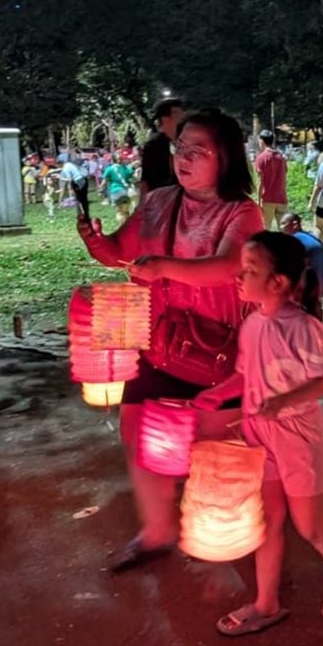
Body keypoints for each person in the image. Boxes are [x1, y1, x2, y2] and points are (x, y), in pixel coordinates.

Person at [77, 108, 264, 572]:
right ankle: (157, 529)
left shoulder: (242, 211)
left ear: (225, 157)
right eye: (181, 148)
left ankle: (227, 536)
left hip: (214, 349)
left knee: (213, 449)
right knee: (138, 433)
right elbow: (119, 253)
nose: (184, 158)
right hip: (155, 340)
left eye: (199, 151)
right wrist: (96, 242)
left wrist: (163, 267)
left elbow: (227, 266)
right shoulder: (159, 201)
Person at [193, 231, 323, 635]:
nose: (239, 277)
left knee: (310, 525)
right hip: (258, 435)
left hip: (297, 438)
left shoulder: (304, 328)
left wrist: (284, 401)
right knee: (267, 520)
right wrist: (216, 394)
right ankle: (266, 603)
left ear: (278, 282)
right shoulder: (252, 324)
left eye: (249, 270)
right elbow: (245, 374)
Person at [139, 97, 184, 196]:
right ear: (166, 118)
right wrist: (143, 202)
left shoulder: (187, 141)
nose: (183, 118)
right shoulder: (153, 146)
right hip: (161, 198)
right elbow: (145, 180)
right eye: (178, 113)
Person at [280, 212, 323, 298]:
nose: (280, 227)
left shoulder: (294, 241)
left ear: (295, 224)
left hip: (310, 291)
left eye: (283, 224)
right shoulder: (311, 236)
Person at [254, 129, 288, 230]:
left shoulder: (261, 158)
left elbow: (260, 181)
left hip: (267, 199)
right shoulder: (281, 157)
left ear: (261, 141)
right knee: (284, 230)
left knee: (265, 229)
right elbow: (285, 174)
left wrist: (258, 199)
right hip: (281, 198)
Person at [99, 154, 136, 224]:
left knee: (119, 212)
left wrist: (100, 190)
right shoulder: (125, 168)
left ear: (112, 160)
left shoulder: (109, 169)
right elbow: (131, 174)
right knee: (126, 211)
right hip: (125, 192)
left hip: (115, 192)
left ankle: (121, 226)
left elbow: (104, 182)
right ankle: (128, 226)